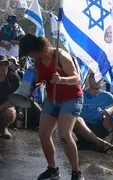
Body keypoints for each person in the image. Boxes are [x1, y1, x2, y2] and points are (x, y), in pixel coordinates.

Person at [19, 34, 84, 180]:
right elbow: (38, 82)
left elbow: (76, 78)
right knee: (43, 134)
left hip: (71, 98)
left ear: (37, 48)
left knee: (64, 135)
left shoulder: (60, 56)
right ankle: (52, 169)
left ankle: (76, 172)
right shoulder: (37, 62)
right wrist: (29, 83)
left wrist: (62, 79)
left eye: (30, 52)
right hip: (52, 99)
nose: (30, 56)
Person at [74, 72, 113, 151]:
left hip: (101, 127)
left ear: (103, 82)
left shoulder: (106, 95)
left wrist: (111, 109)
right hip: (83, 129)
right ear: (89, 80)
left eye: (100, 79)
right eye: (94, 78)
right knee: (77, 119)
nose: (97, 80)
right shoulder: (80, 94)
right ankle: (98, 142)